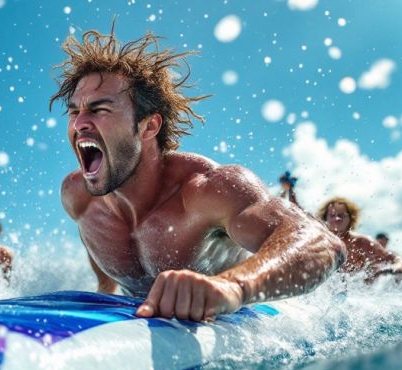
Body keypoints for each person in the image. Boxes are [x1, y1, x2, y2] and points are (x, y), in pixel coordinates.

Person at [52, 29, 345, 322]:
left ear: (149, 127)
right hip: (135, 321)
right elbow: (99, 249)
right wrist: (105, 290)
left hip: (230, 321)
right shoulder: (78, 197)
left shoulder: (206, 191)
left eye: (99, 109)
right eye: (74, 111)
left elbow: (322, 242)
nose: (79, 124)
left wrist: (234, 286)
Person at [317, 197, 402, 282]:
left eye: (341, 215)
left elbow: (398, 261)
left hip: (359, 294)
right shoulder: (318, 243)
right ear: (325, 219)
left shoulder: (362, 242)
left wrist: (389, 269)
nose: (337, 218)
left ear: (351, 218)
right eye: (332, 215)